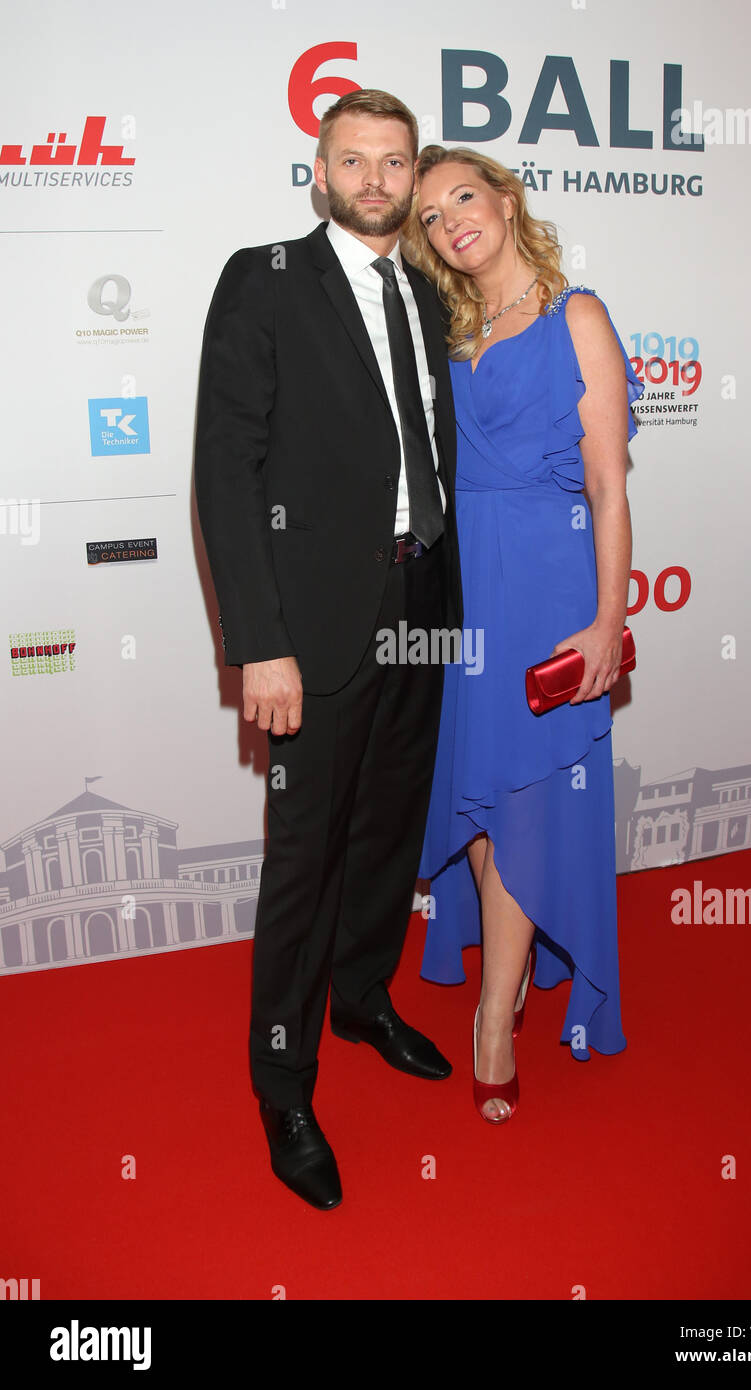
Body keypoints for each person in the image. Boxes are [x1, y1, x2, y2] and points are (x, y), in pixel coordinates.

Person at [193, 92, 463, 1209]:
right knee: (303, 860)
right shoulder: (262, 279)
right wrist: (258, 647)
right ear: (318, 168)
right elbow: (224, 469)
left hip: (422, 599)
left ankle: (362, 998)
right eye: (351, 159)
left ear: (410, 174)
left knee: (389, 823)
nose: (372, 177)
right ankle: (283, 1082)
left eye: (392, 161)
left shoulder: (426, 295)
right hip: (311, 626)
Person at [404, 145, 643, 1123]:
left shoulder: (572, 316)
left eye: (462, 195)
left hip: (545, 589)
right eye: (427, 215)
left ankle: (492, 1019)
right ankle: (499, 988)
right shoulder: (449, 330)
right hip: (464, 596)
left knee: (518, 806)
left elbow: (606, 484)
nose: (449, 219)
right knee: (475, 799)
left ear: (504, 198)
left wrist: (606, 617)